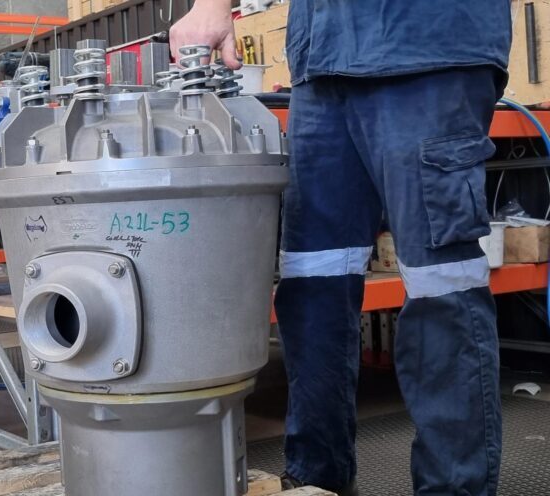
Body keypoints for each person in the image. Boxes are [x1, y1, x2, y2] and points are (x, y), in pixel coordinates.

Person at [170, 1, 510, 495]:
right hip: (321, 63)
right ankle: (316, 480)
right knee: (312, 285)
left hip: (427, 49)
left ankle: (454, 487)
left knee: (442, 291)